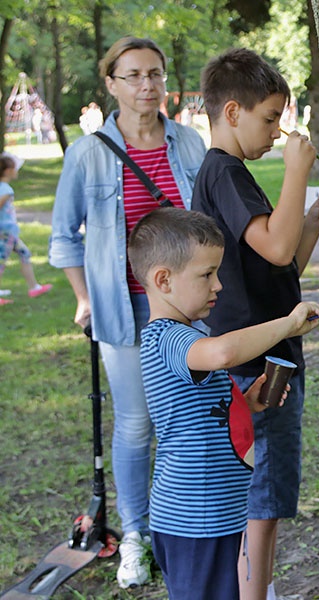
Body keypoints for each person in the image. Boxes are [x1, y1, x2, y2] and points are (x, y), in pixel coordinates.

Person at [48, 36, 207, 589]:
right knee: (137, 426)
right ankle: (137, 534)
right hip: (123, 310)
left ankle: (178, 526)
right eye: (134, 75)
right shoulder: (88, 153)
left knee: (185, 422)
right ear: (112, 84)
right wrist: (83, 297)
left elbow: (208, 221)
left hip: (189, 311)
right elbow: (64, 237)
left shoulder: (188, 143)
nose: (147, 86)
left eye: (156, 74)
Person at [128, 207, 319, 599]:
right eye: (207, 274)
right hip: (193, 520)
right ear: (163, 280)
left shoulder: (188, 336)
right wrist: (287, 324)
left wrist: (248, 403)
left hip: (215, 515)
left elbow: (199, 410)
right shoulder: (166, 338)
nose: (218, 285)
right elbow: (222, 355)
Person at [192, 48, 319, 600]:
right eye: (270, 118)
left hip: (264, 353)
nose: (278, 132)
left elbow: (282, 265)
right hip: (260, 366)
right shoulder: (225, 171)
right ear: (232, 112)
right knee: (264, 498)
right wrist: (297, 171)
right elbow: (276, 248)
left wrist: (314, 223)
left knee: (266, 496)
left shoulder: (229, 175)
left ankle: (259, 589)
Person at [0, 153, 52, 303]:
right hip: (6, 231)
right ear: (8, 170)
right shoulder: (6, 190)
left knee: (25, 254)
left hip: (9, 231)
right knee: (1, 261)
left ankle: (34, 287)